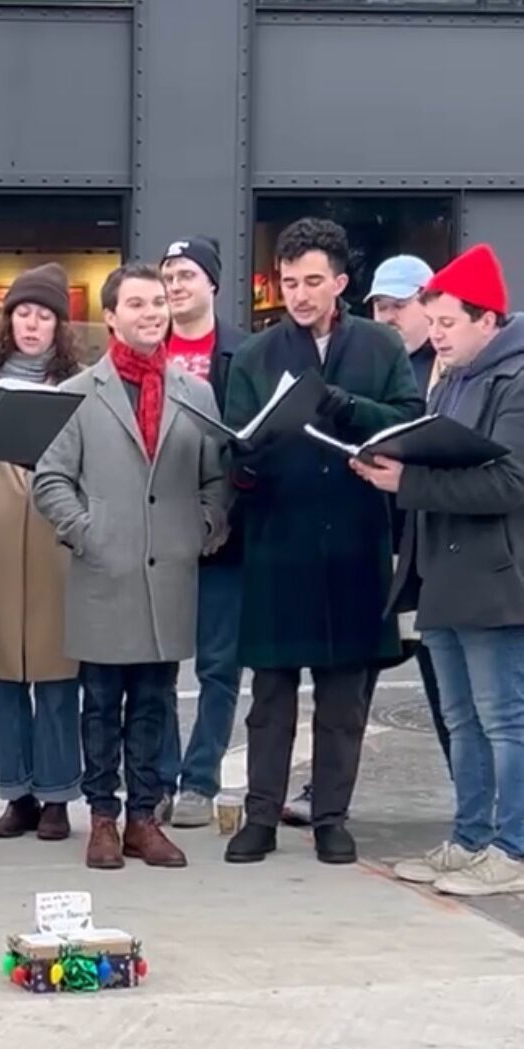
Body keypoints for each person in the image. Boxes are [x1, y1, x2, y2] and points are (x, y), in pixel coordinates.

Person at [222, 218, 423, 866]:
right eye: (288, 282)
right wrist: (243, 461)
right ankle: (259, 816)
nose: (300, 294)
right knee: (270, 696)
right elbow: (233, 441)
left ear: (340, 281)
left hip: (356, 536)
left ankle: (332, 816)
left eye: (313, 281)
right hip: (280, 536)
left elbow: (408, 418)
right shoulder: (255, 355)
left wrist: (344, 406)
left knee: (345, 696)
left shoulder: (381, 345)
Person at [34, 262, 227, 869]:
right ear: (111, 316)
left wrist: (201, 528)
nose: (152, 313)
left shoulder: (194, 393)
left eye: (159, 303)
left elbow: (216, 475)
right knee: (99, 700)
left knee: (155, 700)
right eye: (137, 304)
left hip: (168, 567)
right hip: (103, 568)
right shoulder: (79, 395)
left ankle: (146, 816)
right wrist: (85, 532)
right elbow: (51, 479)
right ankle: (103, 819)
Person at [358, 244, 524, 897]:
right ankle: (470, 836)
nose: (440, 334)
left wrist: (409, 481)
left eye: (450, 322)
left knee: (504, 717)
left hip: (495, 577)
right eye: (436, 321)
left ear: (488, 318)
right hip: (444, 573)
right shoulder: (454, 375)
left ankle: (511, 846)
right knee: (460, 718)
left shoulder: (514, 378)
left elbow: (511, 480)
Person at [284, 253, 447, 827]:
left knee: (446, 679)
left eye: (400, 306)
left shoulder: (447, 364)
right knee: (354, 681)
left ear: (431, 305)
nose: (389, 317)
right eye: (380, 305)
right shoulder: (366, 355)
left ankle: (478, 807)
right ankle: (324, 790)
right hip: (376, 539)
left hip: (429, 545)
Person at [0, 263, 83, 842]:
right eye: (23, 313)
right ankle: (15, 792)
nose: (32, 325)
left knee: (59, 676)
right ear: (7, 321)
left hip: (57, 535)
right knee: (0, 674)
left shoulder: (81, 386)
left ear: (61, 326)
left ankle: (59, 795)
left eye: (44, 315)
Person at [156, 236, 248, 829]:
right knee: (157, 662)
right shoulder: (141, 348)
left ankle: (201, 779)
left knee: (219, 665)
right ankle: (159, 777)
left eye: (187, 274)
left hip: (224, 535)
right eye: (168, 274)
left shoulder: (246, 351)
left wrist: (222, 512)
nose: (176, 285)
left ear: (212, 282)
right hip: (156, 532)